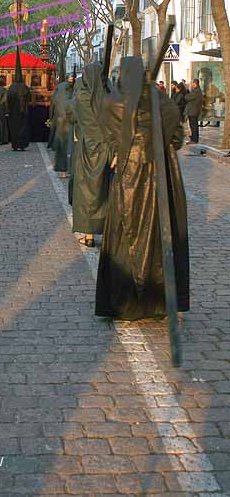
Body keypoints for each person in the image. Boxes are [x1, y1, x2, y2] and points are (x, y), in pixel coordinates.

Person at [95, 57, 189, 320]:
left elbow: (110, 136)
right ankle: (157, 301)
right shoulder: (162, 103)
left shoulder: (115, 104)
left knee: (127, 235)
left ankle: (127, 302)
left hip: (128, 177)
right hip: (160, 177)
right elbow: (177, 138)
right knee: (159, 237)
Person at [67, 63, 111, 247]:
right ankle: (107, 230)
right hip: (107, 149)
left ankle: (88, 234)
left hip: (86, 147)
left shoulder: (80, 98)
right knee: (104, 192)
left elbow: (71, 117)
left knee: (85, 192)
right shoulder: (109, 98)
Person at [52, 73, 75, 178]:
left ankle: (63, 170)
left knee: (63, 146)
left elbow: (55, 101)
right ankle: (66, 169)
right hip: (68, 120)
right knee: (67, 146)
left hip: (63, 119)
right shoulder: (75, 87)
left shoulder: (60, 87)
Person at [7, 50, 31, 151]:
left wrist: (8, 110)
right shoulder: (25, 87)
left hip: (13, 113)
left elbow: (8, 99)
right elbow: (28, 99)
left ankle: (15, 145)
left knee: (14, 129)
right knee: (22, 128)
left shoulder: (12, 87)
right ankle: (22, 145)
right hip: (22, 112)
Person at [184, 78, 203, 144]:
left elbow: (187, 97)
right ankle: (193, 139)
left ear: (195, 83)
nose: (191, 84)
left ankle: (194, 140)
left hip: (193, 111)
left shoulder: (196, 91)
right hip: (193, 110)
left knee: (194, 126)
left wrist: (187, 92)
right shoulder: (196, 90)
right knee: (193, 125)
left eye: (192, 83)